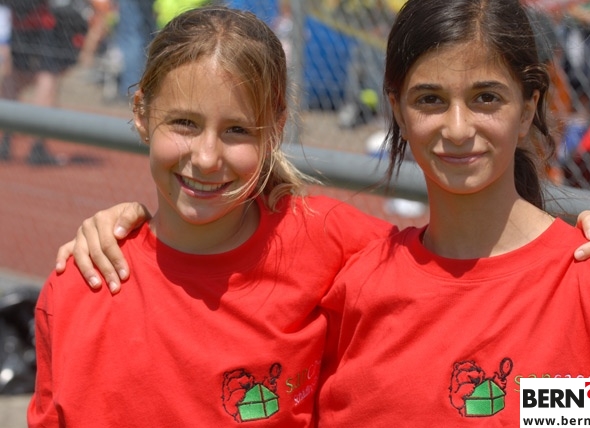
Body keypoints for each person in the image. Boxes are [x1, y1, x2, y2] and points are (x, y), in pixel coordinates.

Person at [28, 6, 395, 426]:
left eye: (237, 130)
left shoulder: (329, 239)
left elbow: (446, 272)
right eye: (184, 123)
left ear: (275, 129)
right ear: (141, 113)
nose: (206, 158)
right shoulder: (80, 287)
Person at [316, 0, 590, 425]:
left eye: (486, 98)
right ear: (398, 111)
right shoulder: (356, 288)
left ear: (527, 109)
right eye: (430, 99)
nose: (457, 129)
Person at [0, 0, 88, 165]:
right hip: (42, 20)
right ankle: (37, 146)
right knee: (47, 77)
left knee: (14, 75)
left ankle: (5, 141)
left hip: (19, 20)